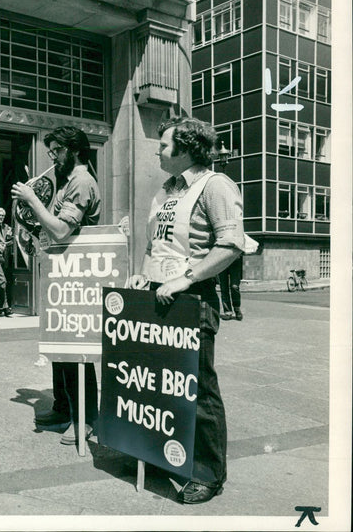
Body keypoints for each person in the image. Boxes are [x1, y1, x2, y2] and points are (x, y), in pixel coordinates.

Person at [128, 116, 244, 504]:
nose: (158, 150)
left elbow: (230, 245)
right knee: (158, 384)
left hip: (192, 300)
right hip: (156, 298)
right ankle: (162, 454)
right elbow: (154, 247)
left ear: (187, 149)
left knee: (198, 389)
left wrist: (187, 278)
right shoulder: (165, 190)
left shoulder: (216, 187)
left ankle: (208, 473)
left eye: (164, 145)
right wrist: (143, 277)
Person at [11, 126, 101, 446]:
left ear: (72, 150)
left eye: (56, 151)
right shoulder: (67, 181)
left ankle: (87, 417)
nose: (52, 157)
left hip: (77, 275)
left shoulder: (81, 180)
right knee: (60, 347)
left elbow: (62, 230)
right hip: (61, 272)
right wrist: (29, 216)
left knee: (76, 351)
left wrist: (32, 199)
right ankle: (64, 408)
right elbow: (48, 227)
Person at [0, 207, 14, 317]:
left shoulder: (6, 227)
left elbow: (12, 240)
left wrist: (8, 241)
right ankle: (5, 307)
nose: (1, 217)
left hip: (4, 259)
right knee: (2, 282)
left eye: (2, 216)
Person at [217, 254, 243, 320]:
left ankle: (237, 309)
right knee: (224, 287)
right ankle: (228, 311)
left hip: (235, 259)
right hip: (222, 261)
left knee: (234, 286)